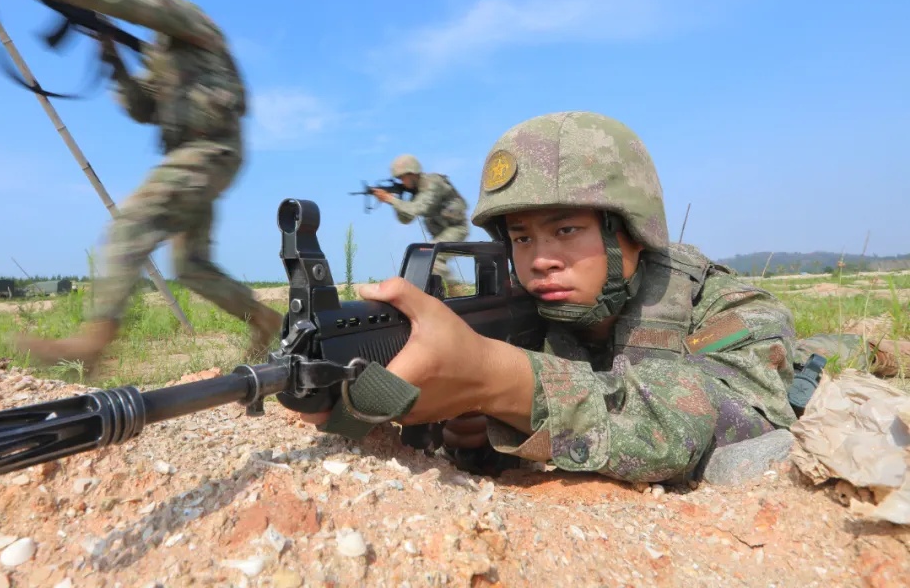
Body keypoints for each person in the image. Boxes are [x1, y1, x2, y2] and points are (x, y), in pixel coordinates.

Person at [297, 111, 799, 485]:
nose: (540, 259)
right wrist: (470, 432)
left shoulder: (729, 307)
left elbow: (735, 419)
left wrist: (505, 383)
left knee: (831, 357)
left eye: (565, 229)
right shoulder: (519, 314)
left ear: (631, 230)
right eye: (521, 238)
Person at [0, 0, 284, 367]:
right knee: (192, 266)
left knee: (132, 225)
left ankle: (95, 341)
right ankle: (265, 320)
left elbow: (132, 5)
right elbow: (143, 108)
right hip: (199, 155)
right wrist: (111, 55)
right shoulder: (164, 55)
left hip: (210, 150)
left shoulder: (187, 18)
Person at [372, 154, 471, 295]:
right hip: (441, 232)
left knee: (432, 258)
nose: (402, 181)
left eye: (403, 177)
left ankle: (458, 293)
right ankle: (441, 297)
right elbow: (405, 219)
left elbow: (419, 208)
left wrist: (390, 200)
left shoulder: (433, 183)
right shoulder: (416, 192)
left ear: (412, 173)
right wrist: (396, 199)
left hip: (456, 228)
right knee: (425, 261)